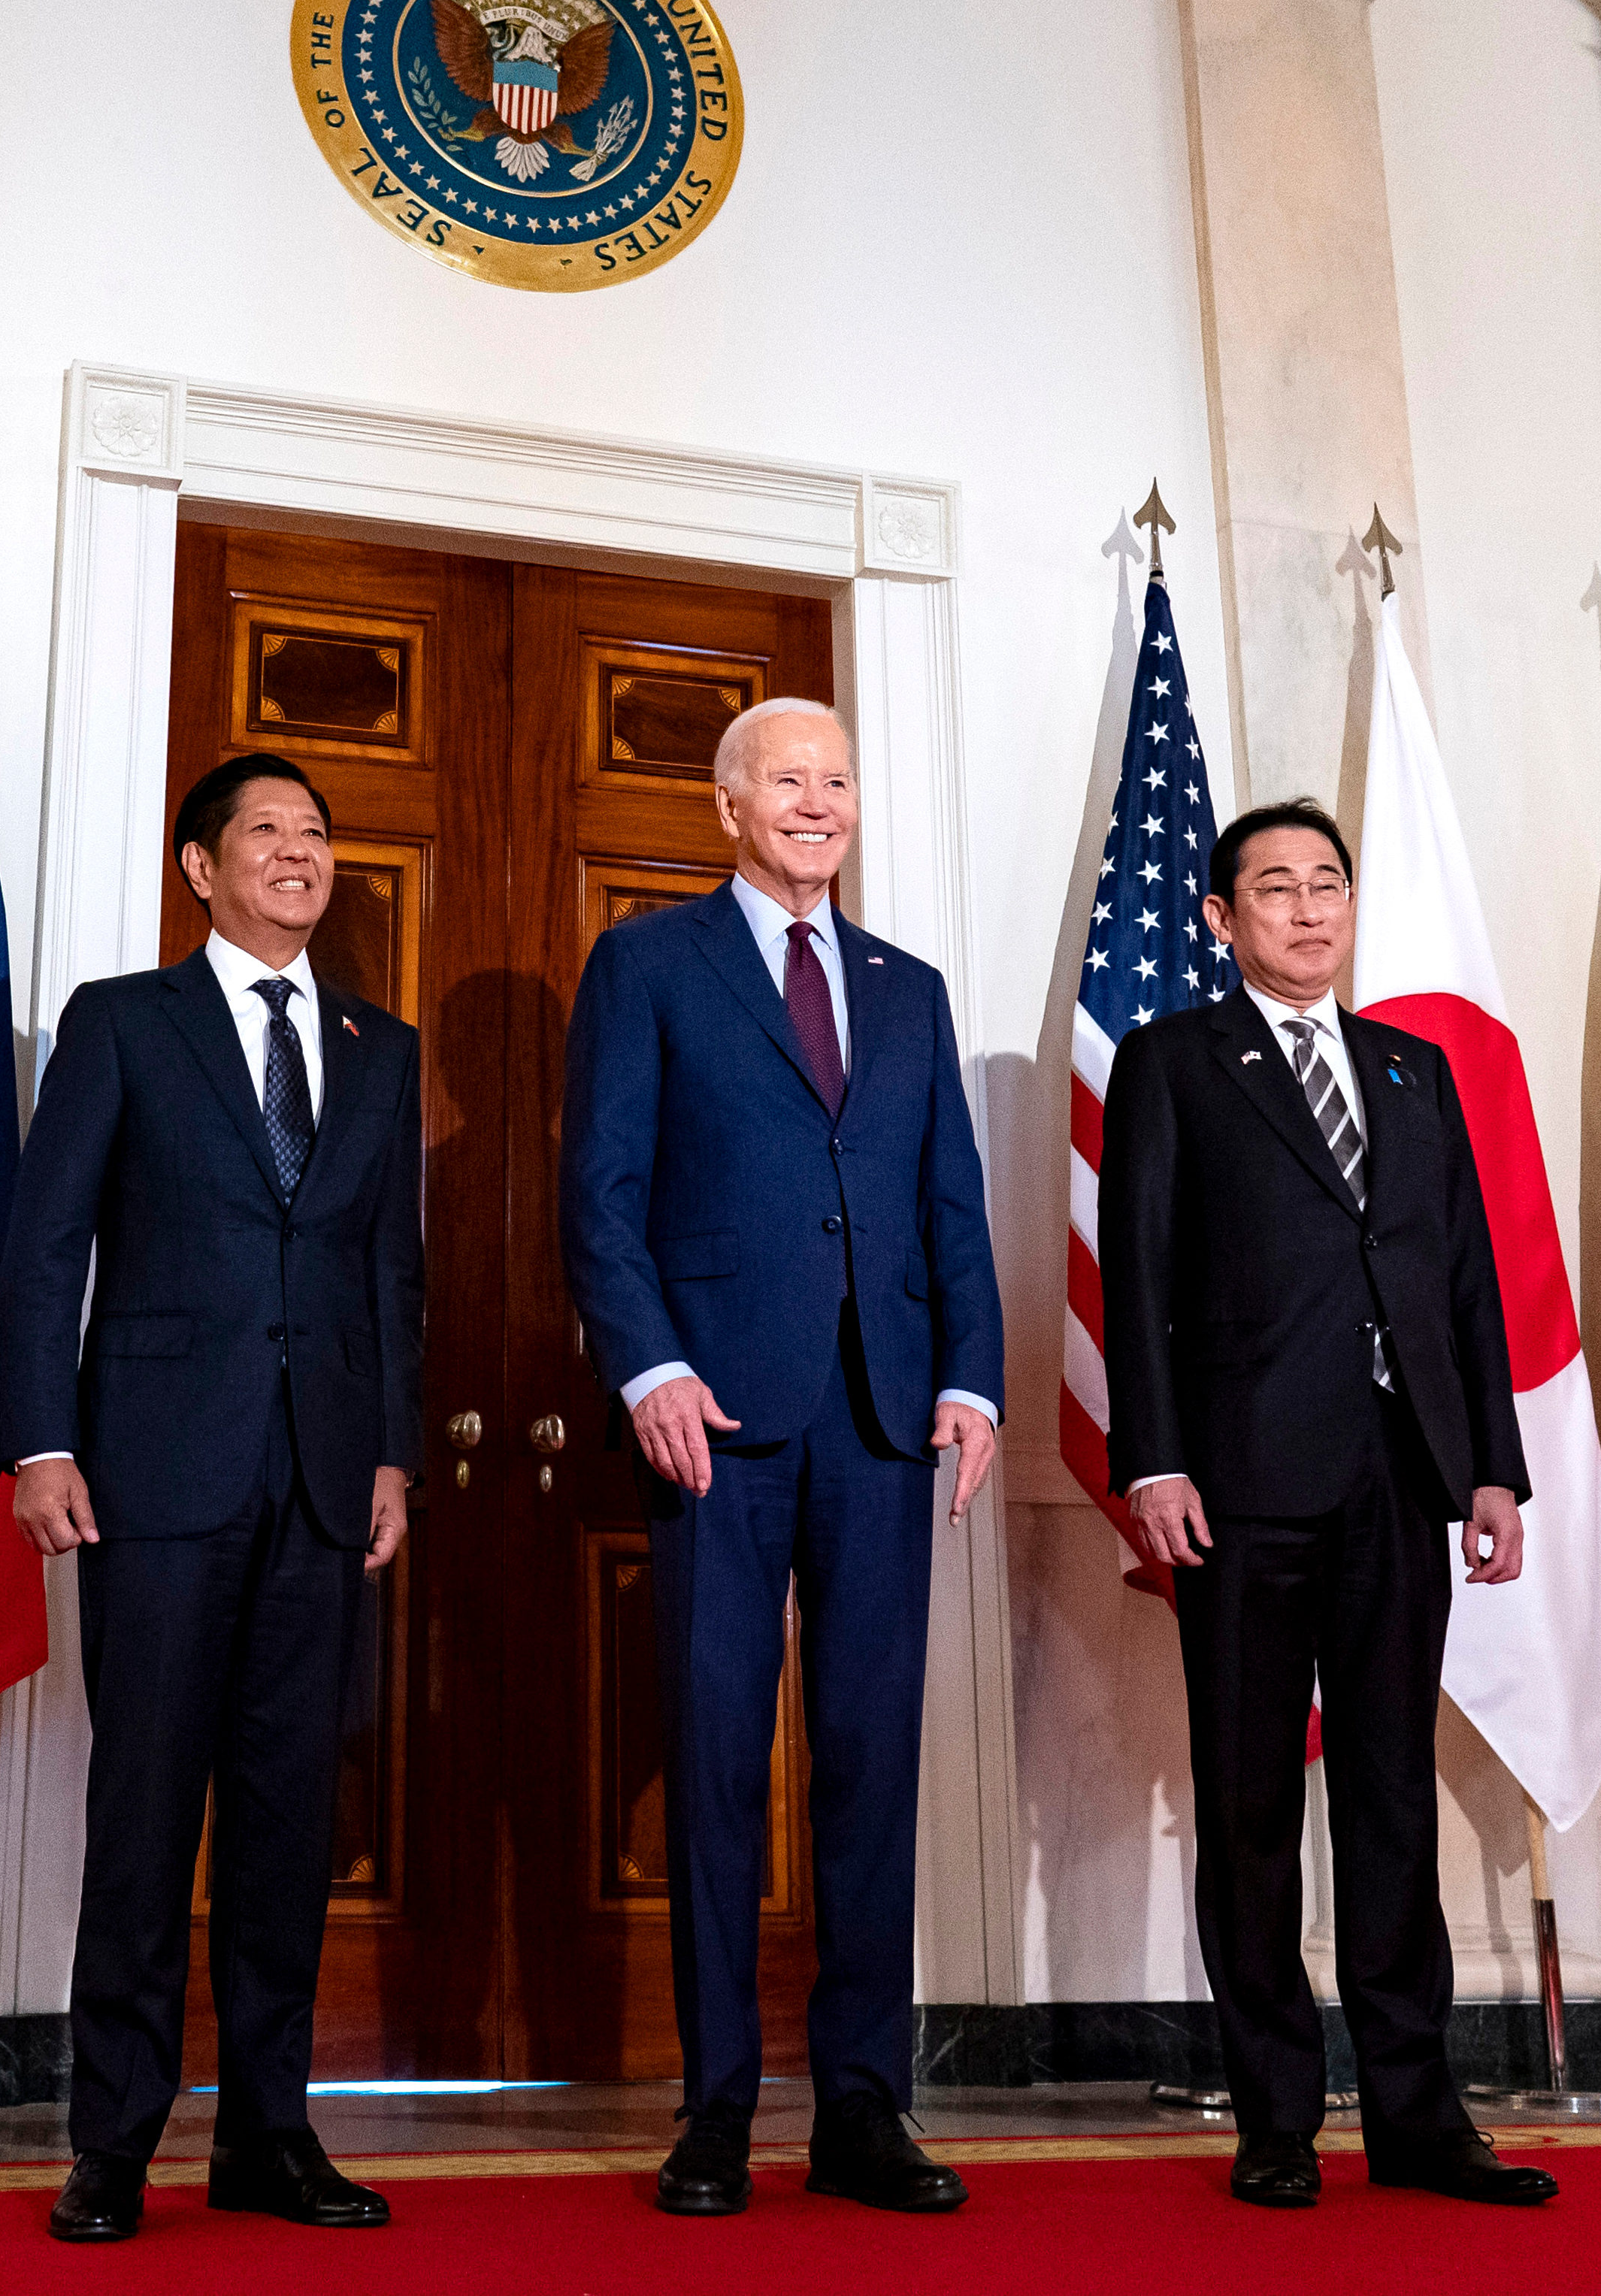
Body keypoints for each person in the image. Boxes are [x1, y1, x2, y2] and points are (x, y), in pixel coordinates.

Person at [560, 696, 1003, 2219]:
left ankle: (865, 2112)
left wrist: (974, 1381)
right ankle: (716, 2110)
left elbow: (952, 1200)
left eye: (835, 781)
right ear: (727, 806)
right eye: (785, 781)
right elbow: (601, 1192)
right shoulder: (648, 963)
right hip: (716, 1423)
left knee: (875, 1765)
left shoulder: (908, 986)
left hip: (888, 1421)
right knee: (714, 1762)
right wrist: (649, 1365)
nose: (815, 803)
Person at [1097, 797, 1553, 2211]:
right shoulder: (1171, 1062)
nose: (1308, 909)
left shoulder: (1413, 1072)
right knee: (1246, 1808)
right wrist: (1151, 1459)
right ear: (1222, 920)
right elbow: (1138, 1275)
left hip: (1398, 1477)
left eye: (1327, 884)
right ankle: (1275, 2117)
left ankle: (1419, 2122)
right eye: (1274, 889)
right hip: (1235, 1482)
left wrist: (1490, 1463)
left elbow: (1462, 1278)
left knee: (1387, 1802)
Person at [0, 752, 425, 2244]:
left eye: (316, 834)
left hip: (318, 1481)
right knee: (144, 1813)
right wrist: (39, 1441)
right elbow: (48, 1248)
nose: (300, 854)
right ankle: (111, 2144)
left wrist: (386, 1454)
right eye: (268, 832)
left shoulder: (380, 1046)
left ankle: (267, 2134)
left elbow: (386, 1271)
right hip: (155, 1475)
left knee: (284, 1826)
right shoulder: (122, 1024)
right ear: (199, 865)